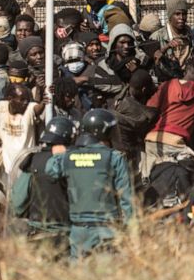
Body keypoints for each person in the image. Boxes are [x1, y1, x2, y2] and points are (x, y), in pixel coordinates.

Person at [47, 109, 135, 259]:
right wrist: (131, 232)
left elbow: (51, 170)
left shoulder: (69, 157)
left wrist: (61, 154)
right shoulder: (114, 158)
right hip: (107, 230)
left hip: (78, 230)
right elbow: (127, 199)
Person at [10, 116, 76, 258]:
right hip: (66, 236)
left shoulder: (33, 160)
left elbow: (18, 202)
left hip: (37, 234)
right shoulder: (74, 161)